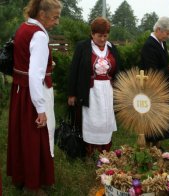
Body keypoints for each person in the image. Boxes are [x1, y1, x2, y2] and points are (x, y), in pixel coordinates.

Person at [6, 0, 62, 194]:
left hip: (20, 89)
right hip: (32, 92)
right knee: (34, 139)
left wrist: (47, 65)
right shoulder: (38, 35)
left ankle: (21, 178)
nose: (57, 21)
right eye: (55, 17)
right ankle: (33, 186)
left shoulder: (24, 27)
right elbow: (35, 75)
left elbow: (26, 62)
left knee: (22, 135)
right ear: (42, 15)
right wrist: (40, 108)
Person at [68, 17, 120, 159]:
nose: (103, 39)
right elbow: (74, 70)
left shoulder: (112, 48)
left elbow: (118, 71)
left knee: (105, 119)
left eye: (105, 35)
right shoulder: (83, 47)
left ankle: (104, 150)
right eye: (99, 35)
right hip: (90, 91)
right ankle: (88, 151)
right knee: (91, 120)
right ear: (92, 33)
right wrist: (72, 93)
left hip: (107, 91)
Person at [140, 16, 169, 147]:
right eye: (167, 33)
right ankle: (151, 146)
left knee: (162, 119)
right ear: (159, 29)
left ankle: (158, 145)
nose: (168, 36)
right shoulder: (149, 46)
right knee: (154, 119)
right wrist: (168, 69)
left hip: (162, 87)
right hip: (153, 88)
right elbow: (152, 72)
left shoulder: (161, 43)